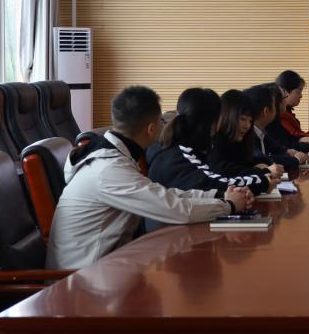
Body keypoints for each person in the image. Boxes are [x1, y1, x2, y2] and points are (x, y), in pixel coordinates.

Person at [46, 86, 253, 270]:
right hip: (79, 282)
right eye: (161, 122)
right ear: (151, 129)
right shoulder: (108, 170)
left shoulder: (113, 157)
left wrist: (217, 195)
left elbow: (161, 194)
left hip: (104, 267)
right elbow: (176, 210)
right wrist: (228, 206)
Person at [146, 88, 272, 194]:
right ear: (209, 123)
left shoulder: (187, 149)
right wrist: (263, 181)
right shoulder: (177, 155)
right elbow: (212, 184)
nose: (218, 127)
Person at [209, 89, 285, 183]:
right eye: (243, 119)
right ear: (227, 116)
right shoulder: (213, 142)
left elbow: (246, 162)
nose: (247, 126)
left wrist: (264, 164)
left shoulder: (237, 141)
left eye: (250, 121)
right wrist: (264, 171)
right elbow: (224, 170)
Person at [244, 84, 304, 173]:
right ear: (266, 111)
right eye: (274, 104)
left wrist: (287, 151)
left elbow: (277, 148)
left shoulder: (261, 132)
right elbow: (262, 159)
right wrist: (296, 160)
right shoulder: (247, 134)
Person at [276, 70, 309, 147]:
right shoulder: (281, 114)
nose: (301, 96)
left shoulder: (287, 112)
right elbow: (296, 136)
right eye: (298, 92)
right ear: (285, 91)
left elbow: (300, 135)